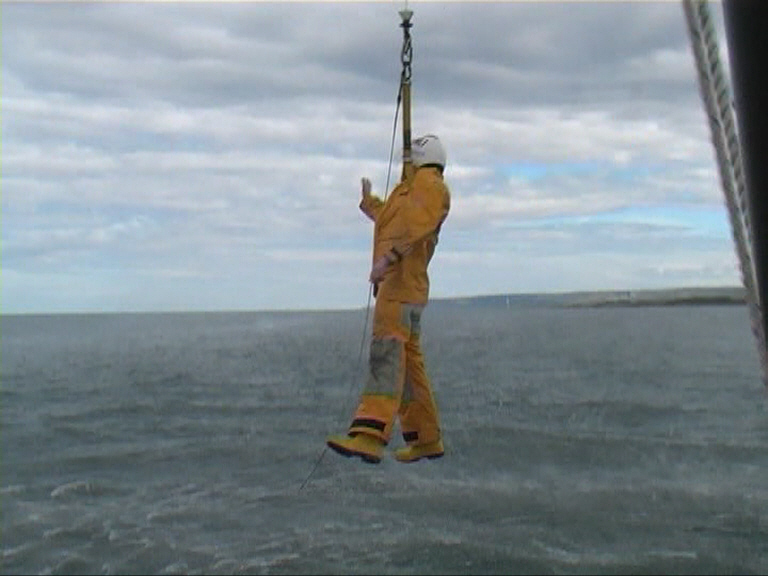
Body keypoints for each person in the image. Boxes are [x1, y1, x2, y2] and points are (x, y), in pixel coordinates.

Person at [327, 134, 451, 464]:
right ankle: (425, 437)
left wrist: (388, 260)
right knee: (409, 369)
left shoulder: (429, 185)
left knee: (387, 356)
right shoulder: (414, 189)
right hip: (402, 288)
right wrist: (369, 203)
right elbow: (392, 219)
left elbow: (416, 228)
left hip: (399, 288)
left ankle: (369, 435)